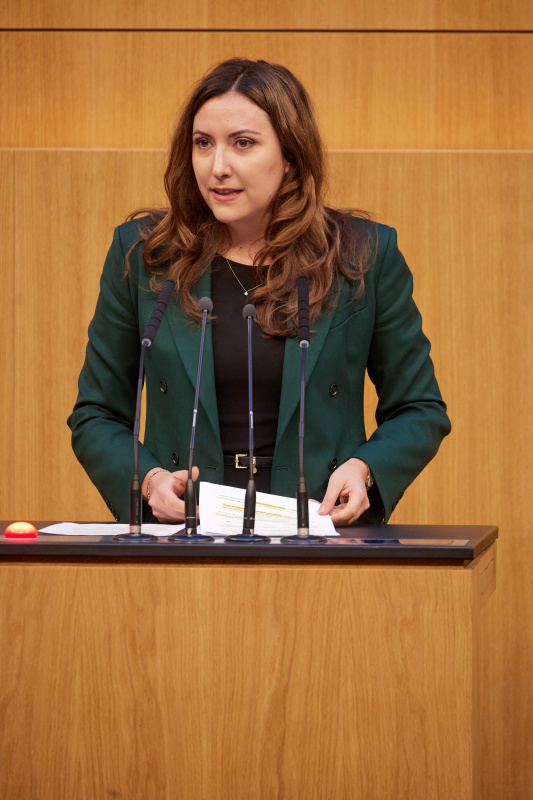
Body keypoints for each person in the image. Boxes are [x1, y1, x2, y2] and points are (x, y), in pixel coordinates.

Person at [68, 58, 451, 527]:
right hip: (184, 533)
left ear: (290, 155)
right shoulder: (147, 255)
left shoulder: (362, 256)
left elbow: (419, 409)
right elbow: (96, 414)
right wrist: (148, 480)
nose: (218, 167)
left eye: (243, 143)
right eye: (203, 143)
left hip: (318, 529)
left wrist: (364, 468)